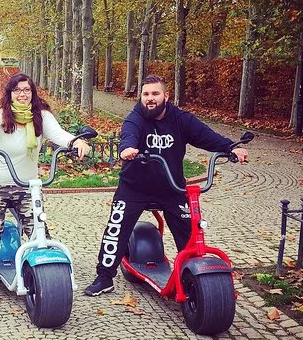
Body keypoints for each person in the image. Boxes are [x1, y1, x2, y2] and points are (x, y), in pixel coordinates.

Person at [84, 74, 249, 296]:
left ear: (166, 96)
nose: (149, 98)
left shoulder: (181, 119)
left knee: (189, 233)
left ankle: (195, 279)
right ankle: (104, 277)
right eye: (145, 94)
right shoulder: (135, 118)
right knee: (116, 228)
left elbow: (206, 136)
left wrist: (231, 147)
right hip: (135, 187)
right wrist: (127, 149)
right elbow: (129, 135)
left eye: (155, 93)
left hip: (172, 188)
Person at [0, 72, 91, 300]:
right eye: (17, 90)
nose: (22, 94)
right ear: (10, 93)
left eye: (26, 90)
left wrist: (76, 141)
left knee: (38, 229)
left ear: (32, 92)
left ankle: (40, 273)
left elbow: (59, 134)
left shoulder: (40, 115)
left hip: (25, 184)